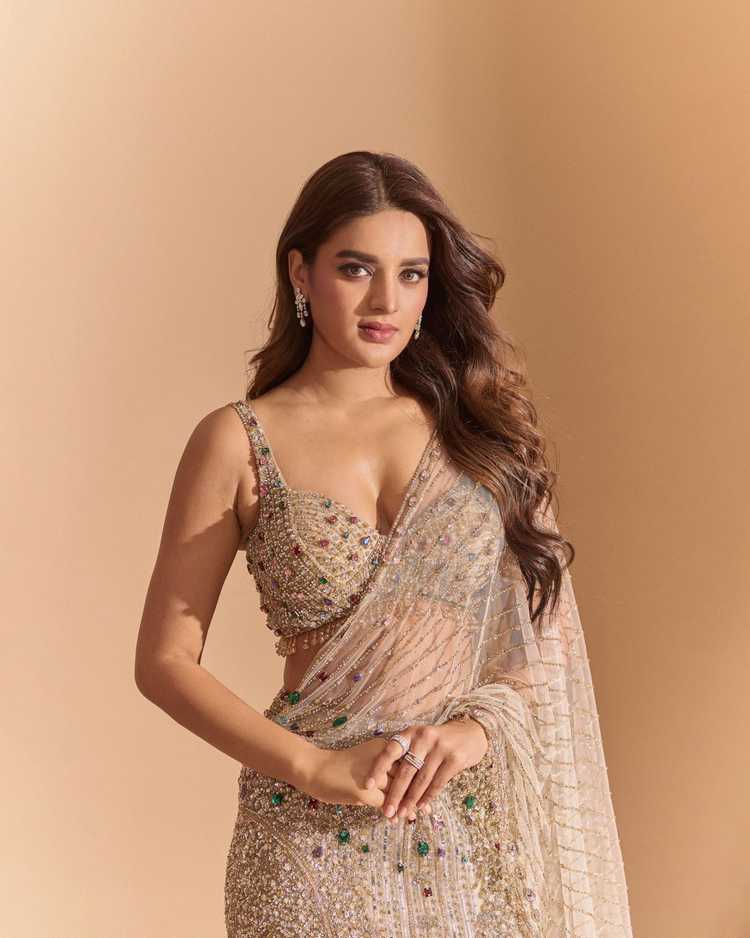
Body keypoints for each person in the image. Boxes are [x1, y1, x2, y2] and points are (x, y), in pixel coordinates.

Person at [135, 150, 634, 937]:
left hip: (470, 826)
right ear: (300, 273)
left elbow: (546, 641)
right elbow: (164, 662)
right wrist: (314, 767)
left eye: (411, 274)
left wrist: (474, 732)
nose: (385, 301)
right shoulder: (237, 441)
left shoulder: (483, 432)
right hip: (305, 838)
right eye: (356, 268)